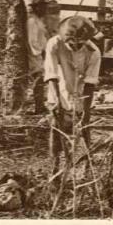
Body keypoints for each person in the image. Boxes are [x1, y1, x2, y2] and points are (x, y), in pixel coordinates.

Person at [44, 16, 101, 174]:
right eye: (71, 43)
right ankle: (54, 169)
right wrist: (57, 103)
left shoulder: (94, 52)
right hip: (58, 91)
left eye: (79, 43)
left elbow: (90, 84)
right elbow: (52, 74)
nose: (75, 46)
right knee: (56, 131)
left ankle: (88, 169)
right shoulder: (54, 44)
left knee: (84, 130)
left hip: (80, 94)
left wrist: (86, 111)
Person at [27, 0, 50, 114]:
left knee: (40, 78)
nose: (45, 10)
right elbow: (32, 41)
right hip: (34, 54)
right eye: (42, 7)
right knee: (38, 78)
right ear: (36, 8)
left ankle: (40, 105)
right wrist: (40, 52)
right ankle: (38, 106)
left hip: (40, 53)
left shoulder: (39, 21)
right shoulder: (32, 22)